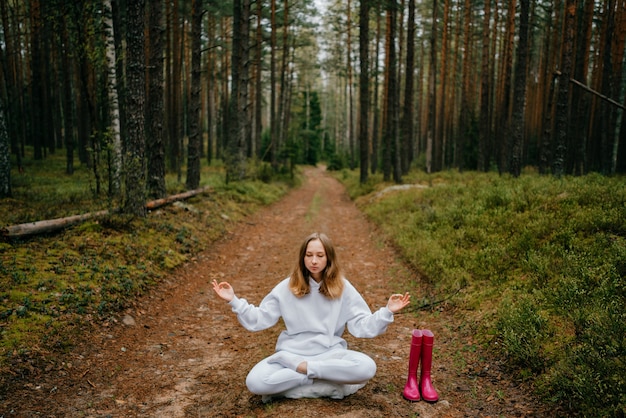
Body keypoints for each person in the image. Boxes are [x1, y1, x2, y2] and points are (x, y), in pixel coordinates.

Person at [212, 232, 411, 401]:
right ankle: (325, 382)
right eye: (309, 255)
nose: (314, 261)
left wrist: (387, 311)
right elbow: (260, 318)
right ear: (302, 258)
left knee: (367, 367)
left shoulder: (342, 287)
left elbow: (361, 325)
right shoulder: (287, 286)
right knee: (255, 382)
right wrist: (234, 300)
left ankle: (301, 376)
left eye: (319, 255)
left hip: (329, 353)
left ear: (328, 259)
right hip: (291, 355)